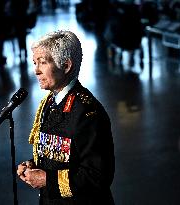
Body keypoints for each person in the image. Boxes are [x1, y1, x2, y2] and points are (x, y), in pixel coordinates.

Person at [17, 30, 115, 204]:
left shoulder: (86, 111)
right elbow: (64, 154)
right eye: (35, 63)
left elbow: (97, 175)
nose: (36, 71)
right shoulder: (50, 102)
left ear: (66, 65)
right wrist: (35, 165)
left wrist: (47, 179)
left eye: (43, 62)